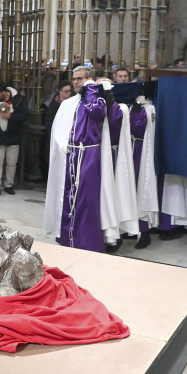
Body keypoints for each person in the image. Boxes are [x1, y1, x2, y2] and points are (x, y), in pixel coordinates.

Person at [43, 67, 115, 253]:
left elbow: (97, 112)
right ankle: (68, 237)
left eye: (80, 79)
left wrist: (91, 88)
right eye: (74, 79)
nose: (76, 82)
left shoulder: (96, 101)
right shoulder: (68, 104)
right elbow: (58, 131)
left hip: (89, 155)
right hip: (70, 156)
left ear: (88, 79)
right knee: (68, 198)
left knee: (87, 200)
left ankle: (87, 242)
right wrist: (62, 149)